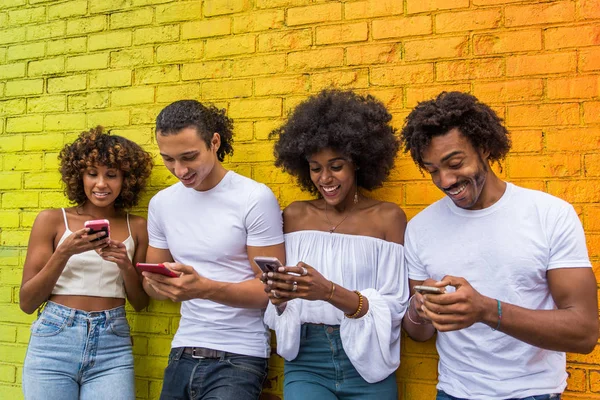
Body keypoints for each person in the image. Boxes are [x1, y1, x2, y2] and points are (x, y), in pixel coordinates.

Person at [400, 91, 599, 400]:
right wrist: (420, 310)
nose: (445, 180)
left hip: (532, 393)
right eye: (432, 170)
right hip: (454, 393)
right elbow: (419, 333)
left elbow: (584, 332)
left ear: (485, 147)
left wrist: (486, 310)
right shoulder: (420, 228)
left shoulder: (549, 214)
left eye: (455, 163)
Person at [262, 89, 409, 400]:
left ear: (356, 161)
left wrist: (329, 292)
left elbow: (395, 305)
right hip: (306, 359)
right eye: (316, 168)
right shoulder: (295, 215)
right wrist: (279, 297)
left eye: (336, 166)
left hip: (368, 362)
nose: (325, 178)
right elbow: (282, 305)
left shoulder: (388, 218)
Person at [140, 99, 285, 400]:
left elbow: (271, 291)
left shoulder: (253, 198)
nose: (179, 170)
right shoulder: (162, 204)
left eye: (189, 157)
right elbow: (149, 285)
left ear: (214, 142)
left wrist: (203, 288)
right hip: (182, 350)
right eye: (168, 159)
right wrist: (164, 283)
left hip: (239, 356)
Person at [20, 127, 153, 400]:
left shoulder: (137, 226)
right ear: (79, 175)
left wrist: (125, 265)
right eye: (92, 173)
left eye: (111, 175)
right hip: (54, 340)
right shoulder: (52, 220)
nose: (101, 184)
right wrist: (64, 253)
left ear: (126, 180)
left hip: (112, 343)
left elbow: (141, 303)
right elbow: (27, 302)